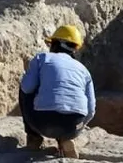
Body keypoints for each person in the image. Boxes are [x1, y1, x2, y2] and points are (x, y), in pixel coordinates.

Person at [19, 24, 95, 158]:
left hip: (43, 123)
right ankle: (65, 139)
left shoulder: (42, 58)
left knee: (26, 86)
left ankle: (34, 138)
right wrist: (78, 127)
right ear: (74, 49)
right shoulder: (84, 70)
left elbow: (27, 88)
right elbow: (91, 110)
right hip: (73, 126)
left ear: (55, 44)